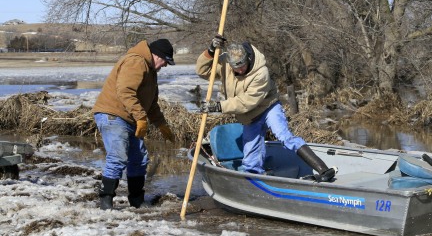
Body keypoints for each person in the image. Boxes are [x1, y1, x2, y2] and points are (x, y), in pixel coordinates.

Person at [196, 35, 335, 181]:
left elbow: (246, 102)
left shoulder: (261, 72)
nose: (241, 70)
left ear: (247, 59)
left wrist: (218, 106)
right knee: (250, 158)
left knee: (284, 136)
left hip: (268, 107)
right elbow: (203, 71)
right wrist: (210, 51)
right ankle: (255, 179)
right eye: (236, 67)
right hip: (250, 116)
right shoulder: (226, 62)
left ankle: (323, 169)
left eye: (243, 66)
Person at [92, 39, 177, 210]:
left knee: (139, 159)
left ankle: (136, 200)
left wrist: (162, 125)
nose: (165, 66)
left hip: (128, 117)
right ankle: (106, 201)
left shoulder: (151, 70)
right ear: (156, 55)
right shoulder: (136, 61)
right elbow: (125, 91)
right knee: (118, 157)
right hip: (113, 114)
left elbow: (151, 103)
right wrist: (140, 118)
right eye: (165, 61)